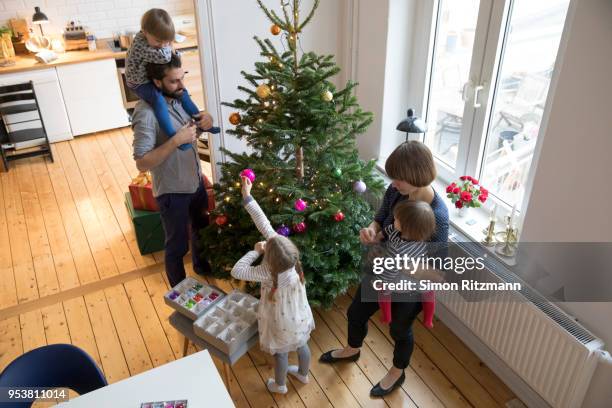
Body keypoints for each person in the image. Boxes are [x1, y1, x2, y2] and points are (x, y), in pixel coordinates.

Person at [319, 141, 449, 397]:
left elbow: (439, 272)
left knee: (399, 330)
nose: (393, 183)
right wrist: (372, 231)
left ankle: (397, 371)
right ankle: (352, 349)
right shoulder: (396, 191)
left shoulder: (438, 217)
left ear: (416, 176)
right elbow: (380, 219)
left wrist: (407, 266)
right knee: (356, 313)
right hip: (380, 271)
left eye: (399, 179)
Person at [132, 53, 214, 287]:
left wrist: (205, 119)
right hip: (172, 192)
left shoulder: (178, 98)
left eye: (182, 78)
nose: (182, 85)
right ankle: (180, 290)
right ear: (157, 82)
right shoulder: (146, 113)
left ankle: (203, 267)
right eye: (174, 81)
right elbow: (142, 162)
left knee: (201, 230)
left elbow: (193, 128)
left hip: (195, 181)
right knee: (177, 246)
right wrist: (176, 141)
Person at [231, 176, 315, 394]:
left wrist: (255, 251)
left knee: (281, 355)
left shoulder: (266, 272)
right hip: (300, 315)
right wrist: (247, 196)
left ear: (269, 257)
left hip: (280, 321)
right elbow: (264, 223)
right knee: (303, 345)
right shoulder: (289, 256)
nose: (268, 239)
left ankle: (280, 385)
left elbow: (237, 271)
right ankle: (303, 375)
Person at [126, 8, 218, 150]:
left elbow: (167, 50)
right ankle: (173, 136)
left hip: (147, 73)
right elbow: (165, 56)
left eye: (166, 41)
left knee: (183, 93)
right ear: (144, 32)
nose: (163, 45)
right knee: (158, 100)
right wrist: (170, 46)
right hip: (138, 82)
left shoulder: (153, 38)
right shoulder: (140, 45)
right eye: (159, 41)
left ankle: (202, 123)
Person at [374, 199, 437, 329]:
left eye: (397, 219)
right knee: (429, 292)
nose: (394, 219)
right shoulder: (423, 237)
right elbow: (389, 229)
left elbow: (390, 269)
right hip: (420, 275)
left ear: (406, 227)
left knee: (382, 289)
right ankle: (428, 319)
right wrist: (380, 234)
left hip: (401, 280)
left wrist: (382, 280)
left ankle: (386, 315)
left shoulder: (398, 248)